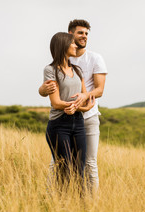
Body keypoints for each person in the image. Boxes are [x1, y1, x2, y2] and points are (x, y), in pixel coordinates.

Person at [39, 19, 107, 193]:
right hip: (62, 119)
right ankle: (53, 198)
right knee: (60, 163)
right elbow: (52, 94)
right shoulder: (53, 67)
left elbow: (98, 91)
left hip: (86, 117)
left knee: (87, 163)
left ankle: (89, 202)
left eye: (86, 33)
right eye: (80, 33)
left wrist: (83, 100)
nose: (84, 37)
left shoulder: (92, 60)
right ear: (70, 36)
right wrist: (42, 89)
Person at [43, 32, 95, 189]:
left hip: (78, 123)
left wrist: (80, 107)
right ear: (63, 45)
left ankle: (79, 207)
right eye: (72, 43)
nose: (75, 45)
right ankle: (60, 206)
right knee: (64, 169)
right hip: (59, 125)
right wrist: (72, 106)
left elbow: (86, 100)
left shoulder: (77, 70)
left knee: (80, 169)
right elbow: (56, 103)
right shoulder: (51, 70)